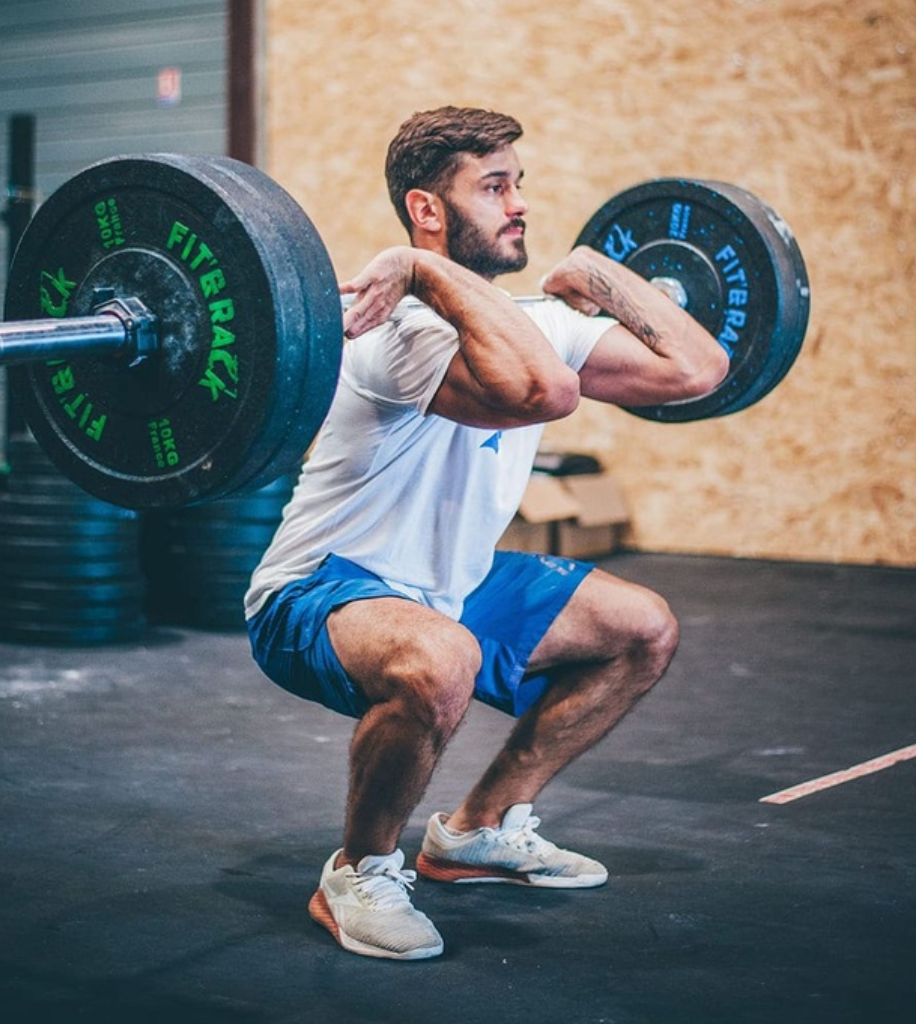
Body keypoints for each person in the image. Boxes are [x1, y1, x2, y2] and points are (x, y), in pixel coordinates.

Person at [245, 106, 729, 961]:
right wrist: (416, 275)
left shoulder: (533, 320)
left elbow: (699, 370)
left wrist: (600, 273)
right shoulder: (394, 328)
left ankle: (476, 831)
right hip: (321, 588)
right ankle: (358, 869)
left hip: (450, 582)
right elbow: (541, 392)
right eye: (494, 187)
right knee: (442, 661)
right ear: (428, 209)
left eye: (519, 186)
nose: (519, 207)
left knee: (641, 629)